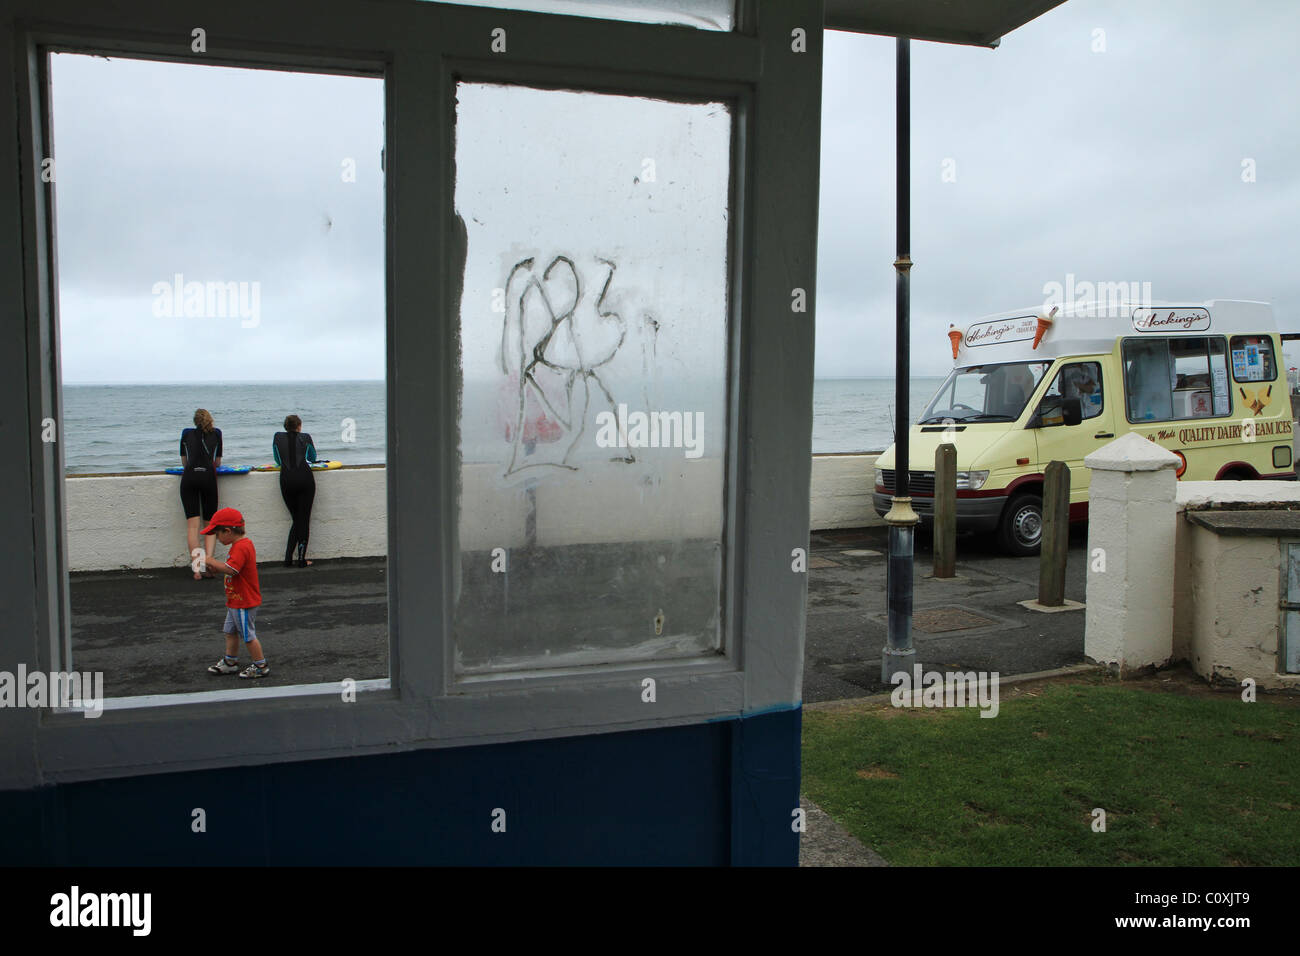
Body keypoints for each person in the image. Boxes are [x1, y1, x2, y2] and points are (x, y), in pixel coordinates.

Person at [202, 507, 269, 679]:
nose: (217, 538)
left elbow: (231, 570)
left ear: (228, 531)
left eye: (218, 534)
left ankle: (260, 665)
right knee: (230, 631)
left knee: (248, 635)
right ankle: (230, 661)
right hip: (236, 601)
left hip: (243, 602)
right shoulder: (239, 545)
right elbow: (233, 569)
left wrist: (210, 560)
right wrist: (217, 568)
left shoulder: (241, 547)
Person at [179, 409, 222, 580]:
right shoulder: (217, 433)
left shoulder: (185, 433)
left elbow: (184, 461)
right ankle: (209, 565)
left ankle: (197, 569)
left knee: (192, 527)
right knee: (210, 525)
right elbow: (217, 462)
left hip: (189, 478)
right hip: (208, 478)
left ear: (194, 421)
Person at [273, 414, 318, 567]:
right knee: (303, 520)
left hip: (286, 480)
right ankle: (301, 559)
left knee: (297, 520)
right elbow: (312, 457)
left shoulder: (277, 437)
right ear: (299, 426)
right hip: (305, 479)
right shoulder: (305, 437)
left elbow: (278, 459)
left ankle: (287, 559)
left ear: (285, 426)